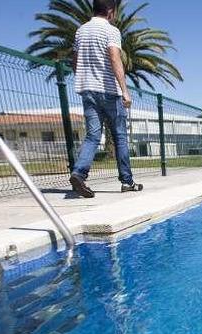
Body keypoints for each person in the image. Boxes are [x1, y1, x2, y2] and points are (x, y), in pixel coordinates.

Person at [68, 0, 143, 198]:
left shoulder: (80, 31)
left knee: (92, 135)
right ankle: (127, 182)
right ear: (110, 10)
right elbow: (114, 58)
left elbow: (74, 61)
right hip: (109, 91)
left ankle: (79, 173)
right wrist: (125, 90)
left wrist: (84, 78)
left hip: (87, 90)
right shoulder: (111, 31)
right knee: (119, 136)